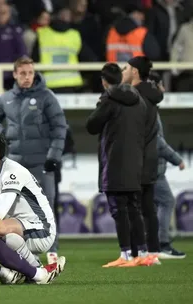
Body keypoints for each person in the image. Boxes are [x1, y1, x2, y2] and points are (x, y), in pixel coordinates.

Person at [0, 56, 67, 264]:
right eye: (23, 73)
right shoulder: (6, 98)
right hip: (15, 163)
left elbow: (60, 128)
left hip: (42, 162)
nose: (27, 77)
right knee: (16, 208)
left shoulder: (47, 97)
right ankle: (24, 250)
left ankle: (52, 249)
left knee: (46, 205)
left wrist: (54, 156)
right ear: (15, 74)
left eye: (30, 73)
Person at [0, 131, 59, 279]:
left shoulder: (12, 172)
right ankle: (8, 274)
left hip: (42, 230)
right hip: (19, 228)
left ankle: (36, 269)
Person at [85, 62, 153, 267]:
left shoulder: (109, 100)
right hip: (136, 161)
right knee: (134, 208)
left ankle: (125, 255)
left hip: (114, 161)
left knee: (119, 209)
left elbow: (92, 125)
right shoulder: (139, 100)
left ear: (104, 81)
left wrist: (102, 102)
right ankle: (141, 253)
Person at [122, 56, 162, 264]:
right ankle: (153, 252)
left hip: (136, 157)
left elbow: (133, 131)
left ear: (135, 71)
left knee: (133, 207)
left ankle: (138, 254)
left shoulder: (135, 97)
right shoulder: (151, 95)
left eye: (126, 68)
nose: (124, 70)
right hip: (149, 156)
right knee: (147, 207)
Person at [148, 72, 186, 259]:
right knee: (167, 201)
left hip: (147, 166)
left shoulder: (145, 107)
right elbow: (157, 142)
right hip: (153, 168)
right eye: (161, 85)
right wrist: (176, 159)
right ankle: (161, 244)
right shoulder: (150, 110)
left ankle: (151, 244)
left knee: (153, 206)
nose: (164, 89)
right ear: (154, 86)